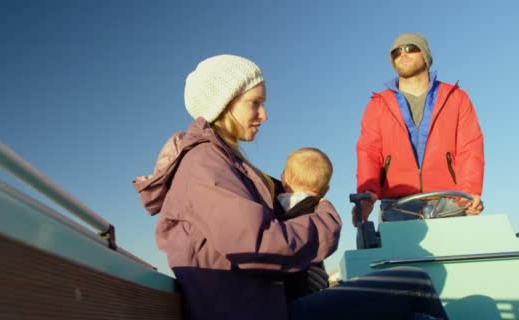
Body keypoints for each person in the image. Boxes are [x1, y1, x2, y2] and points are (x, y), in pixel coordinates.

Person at [134, 54, 448, 320]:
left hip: (271, 305)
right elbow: (258, 244)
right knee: (414, 281)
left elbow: (246, 247)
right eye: (254, 103)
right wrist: (326, 218)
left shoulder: (223, 162)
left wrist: (301, 274)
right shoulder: (204, 165)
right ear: (224, 104)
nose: (264, 115)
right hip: (257, 314)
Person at [355, 33, 485, 224]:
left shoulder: (456, 98)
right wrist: (366, 193)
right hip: (396, 206)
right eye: (396, 52)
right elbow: (369, 153)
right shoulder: (378, 105)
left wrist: (469, 191)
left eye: (410, 48)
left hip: (450, 203)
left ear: (425, 55)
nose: (403, 54)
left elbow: (470, 147)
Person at [274, 147, 334, 300]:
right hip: (311, 283)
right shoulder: (319, 211)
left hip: (283, 287)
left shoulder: (272, 204)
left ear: (284, 179)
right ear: (326, 190)